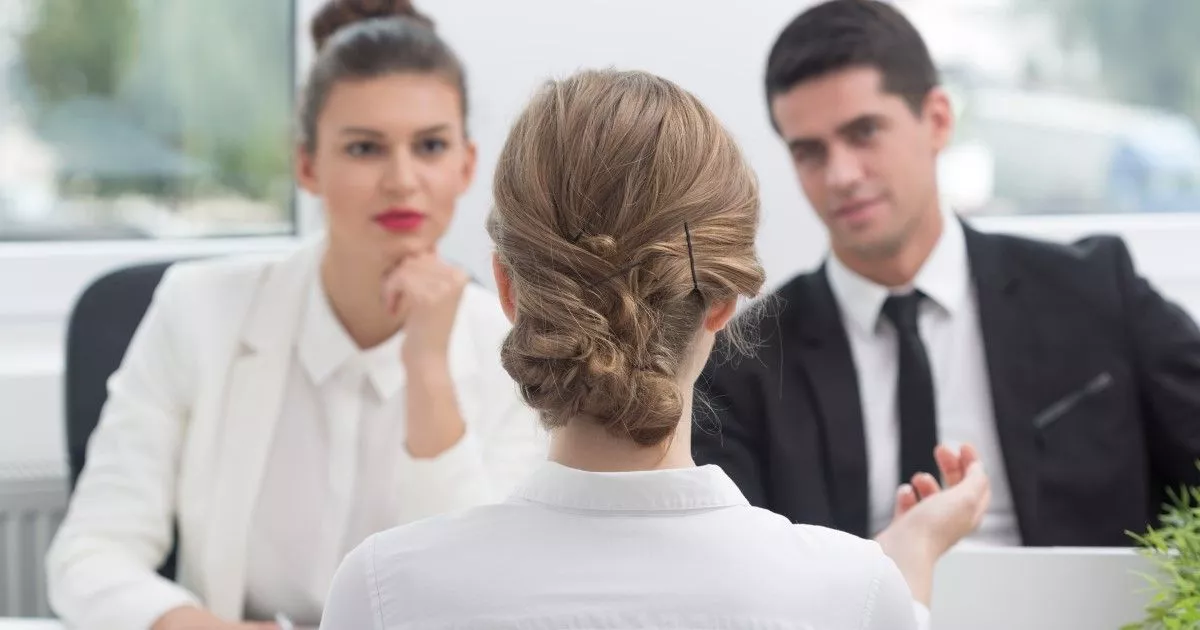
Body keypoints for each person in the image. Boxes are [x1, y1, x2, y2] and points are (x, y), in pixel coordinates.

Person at [317, 68, 990, 630]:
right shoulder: (850, 590)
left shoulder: (381, 591)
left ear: (507, 288)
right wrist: (910, 560)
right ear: (722, 298)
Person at [45, 2, 546, 628]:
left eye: (430, 146)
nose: (401, 179)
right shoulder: (198, 310)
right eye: (364, 148)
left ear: (466, 165)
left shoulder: (513, 348)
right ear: (308, 164)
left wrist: (427, 370)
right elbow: (89, 555)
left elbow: (477, 596)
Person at [693, 0, 1200, 548]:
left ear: (937, 119)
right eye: (810, 152)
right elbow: (732, 570)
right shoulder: (745, 362)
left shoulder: (1097, 292)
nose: (840, 175)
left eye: (864, 133)